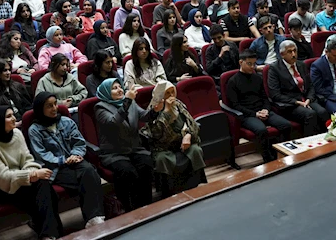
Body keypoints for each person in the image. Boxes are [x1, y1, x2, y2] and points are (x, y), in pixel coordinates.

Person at [0, 106, 63, 239]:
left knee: (43, 186)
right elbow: (1, 177)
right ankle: (52, 233)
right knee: (44, 193)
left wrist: (33, 173)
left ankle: (49, 234)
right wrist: (31, 175)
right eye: (8, 116)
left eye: (13, 114)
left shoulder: (17, 133)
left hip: (18, 179)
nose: (14, 119)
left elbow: (28, 160)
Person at [28, 93, 106, 228]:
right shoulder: (34, 130)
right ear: (40, 109)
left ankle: (94, 218)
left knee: (89, 170)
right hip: (56, 167)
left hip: (74, 161)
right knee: (89, 179)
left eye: (55, 104)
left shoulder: (66, 121)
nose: (54, 108)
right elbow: (41, 154)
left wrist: (75, 155)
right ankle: (94, 218)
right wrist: (63, 160)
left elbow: (79, 142)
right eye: (49, 106)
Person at [94, 78, 154, 211]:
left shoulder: (130, 103)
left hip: (134, 148)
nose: (120, 89)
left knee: (146, 163)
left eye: (119, 86)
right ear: (106, 92)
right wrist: (127, 101)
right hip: (114, 153)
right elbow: (113, 123)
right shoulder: (100, 107)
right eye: (114, 88)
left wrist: (156, 109)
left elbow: (144, 116)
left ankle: (147, 206)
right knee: (127, 171)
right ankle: (129, 208)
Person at [140, 81, 207, 196]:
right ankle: (169, 192)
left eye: (173, 92)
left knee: (195, 150)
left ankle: (196, 185)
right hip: (164, 147)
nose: (171, 96)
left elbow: (192, 123)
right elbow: (157, 135)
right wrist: (166, 112)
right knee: (163, 159)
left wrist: (188, 135)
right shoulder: (153, 110)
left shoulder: (179, 104)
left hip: (183, 143)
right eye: (167, 93)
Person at [226, 50, 291, 163]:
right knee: (261, 130)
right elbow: (235, 106)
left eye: (254, 64)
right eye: (249, 64)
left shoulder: (257, 78)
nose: (253, 67)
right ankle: (268, 159)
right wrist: (255, 114)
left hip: (263, 110)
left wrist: (266, 109)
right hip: (247, 114)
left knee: (285, 125)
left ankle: (281, 154)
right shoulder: (232, 81)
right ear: (241, 62)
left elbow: (265, 98)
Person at [268, 40, 329, 136]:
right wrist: (297, 102)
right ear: (282, 54)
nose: (293, 54)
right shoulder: (274, 69)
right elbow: (275, 94)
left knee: (322, 112)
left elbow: (311, 85)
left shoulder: (301, 64)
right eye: (289, 52)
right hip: (290, 104)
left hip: (306, 99)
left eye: (295, 51)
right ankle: (309, 144)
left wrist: (309, 99)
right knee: (310, 114)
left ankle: (325, 140)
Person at [205, 24, 239, 93]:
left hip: (234, 76)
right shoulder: (210, 50)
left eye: (219, 37)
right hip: (219, 79)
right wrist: (220, 57)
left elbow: (238, 61)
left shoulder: (232, 45)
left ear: (223, 36)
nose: (217, 41)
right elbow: (208, 69)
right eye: (214, 39)